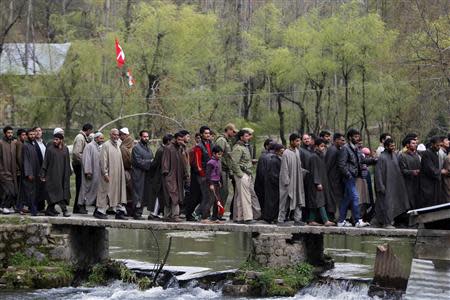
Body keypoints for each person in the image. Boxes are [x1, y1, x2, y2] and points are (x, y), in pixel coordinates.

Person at [373, 138, 410, 228]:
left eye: (394, 146)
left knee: (394, 204)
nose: (393, 148)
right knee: (386, 204)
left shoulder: (394, 155)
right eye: (391, 146)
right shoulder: (382, 157)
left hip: (394, 186)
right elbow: (378, 173)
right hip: (385, 186)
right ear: (386, 146)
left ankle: (393, 221)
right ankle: (386, 223)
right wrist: (380, 186)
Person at [337, 129, 370, 228]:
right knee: (355, 197)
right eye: (355, 137)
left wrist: (375, 160)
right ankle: (358, 221)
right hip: (349, 177)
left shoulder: (356, 148)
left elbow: (363, 160)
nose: (357, 138)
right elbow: (341, 164)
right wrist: (348, 175)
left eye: (358, 136)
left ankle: (341, 221)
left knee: (347, 199)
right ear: (350, 137)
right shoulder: (345, 148)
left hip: (353, 176)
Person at [95, 128, 128, 220]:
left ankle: (119, 212)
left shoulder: (118, 144)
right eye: (114, 134)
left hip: (118, 174)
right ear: (110, 135)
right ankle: (100, 211)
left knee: (118, 192)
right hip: (108, 174)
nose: (116, 136)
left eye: (117, 135)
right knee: (105, 191)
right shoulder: (106, 145)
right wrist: (105, 173)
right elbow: (103, 161)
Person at [40, 133, 71, 217]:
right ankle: (64, 210)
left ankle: (49, 210)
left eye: (57, 139)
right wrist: (43, 174)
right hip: (52, 175)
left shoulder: (65, 149)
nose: (55, 141)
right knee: (57, 193)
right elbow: (45, 162)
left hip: (63, 175)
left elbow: (67, 162)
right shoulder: (50, 149)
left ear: (61, 140)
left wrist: (68, 172)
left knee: (58, 193)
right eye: (54, 139)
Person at [278, 133, 306, 226]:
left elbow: (298, 165)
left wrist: (302, 172)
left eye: (299, 140)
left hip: (297, 181)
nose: (299, 143)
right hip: (288, 182)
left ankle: (297, 219)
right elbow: (284, 169)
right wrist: (286, 182)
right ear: (291, 141)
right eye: (297, 141)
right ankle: (280, 220)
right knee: (285, 200)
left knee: (299, 198)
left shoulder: (297, 151)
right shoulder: (286, 153)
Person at [307, 138, 336, 226]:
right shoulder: (314, 157)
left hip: (321, 182)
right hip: (315, 184)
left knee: (316, 202)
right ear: (316, 146)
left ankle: (311, 220)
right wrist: (318, 183)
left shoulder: (321, 156)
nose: (323, 148)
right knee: (320, 201)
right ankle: (325, 220)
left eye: (324, 146)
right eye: (321, 146)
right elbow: (314, 170)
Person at [230, 129, 256, 224]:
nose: (248, 137)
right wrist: (241, 175)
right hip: (242, 174)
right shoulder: (238, 148)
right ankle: (248, 218)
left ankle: (239, 217)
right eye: (246, 136)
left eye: (248, 135)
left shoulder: (244, 147)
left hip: (246, 173)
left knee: (239, 197)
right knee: (246, 197)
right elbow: (234, 163)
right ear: (241, 137)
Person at [214, 123, 237, 221]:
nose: (234, 133)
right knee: (222, 192)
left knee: (225, 193)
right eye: (233, 131)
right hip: (221, 170)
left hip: (225, 170)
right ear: (228, 130)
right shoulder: (221, 140)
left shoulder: (227, 141)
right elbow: (218, 156)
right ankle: (216, 215)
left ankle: (219, 215)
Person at [161, 132, 186, 222]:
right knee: (172, 195)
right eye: (178, 139)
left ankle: (170, 215)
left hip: (177, 177)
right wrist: (167, 175)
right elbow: (165, 164)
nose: (180, 141)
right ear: (175, 139)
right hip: (170, 177)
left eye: (182, 140)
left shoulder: (179, 148)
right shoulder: (168, 148)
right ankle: (173, 215)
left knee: (175, 196)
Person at [148, 134, 172, 220]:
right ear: (168, 141)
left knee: (160, 195)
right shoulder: (161, 150)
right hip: (158, 177)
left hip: (161, 177)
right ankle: (153, 214)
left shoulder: (164, 150)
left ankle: (156, 213)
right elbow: (155, 164)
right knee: (157, 195)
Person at [78, 132, 104, 212]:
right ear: (96, 138)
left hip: (96, 173)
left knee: (94, 189)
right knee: (86, 189)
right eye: (101, 138)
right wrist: (88, 171)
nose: (102, 140)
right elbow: (87, 159)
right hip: (90, 173)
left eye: (103, 138)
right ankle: (81, 205)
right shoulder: (89, 146)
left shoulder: (97, 147)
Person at [191, 126, 213, 221]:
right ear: (201, 134)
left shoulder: (210, 144)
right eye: (205, 133)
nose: (208, 135)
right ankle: (195, 214)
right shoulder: (198, 147)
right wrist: (203, 175)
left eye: (209, 133)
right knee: (206, 196)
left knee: (210, 196)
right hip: (203, 175)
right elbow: (198, 163)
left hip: (210, 174)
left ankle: (204, 215)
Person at [131, 130, 154, 220]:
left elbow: (152, 158)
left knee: (145, 194)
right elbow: (138, 161)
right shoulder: (136, 148)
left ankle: (139, 212)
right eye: (144, 136)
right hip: (138, 175)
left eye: (147, 136)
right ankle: (136, 213)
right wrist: (150, 162)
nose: (146, 138)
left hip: (146, 175)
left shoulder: (148, 148)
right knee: (138, 193)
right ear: (140, 137)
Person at [419, 136, 447, 207]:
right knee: (429, 203)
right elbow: (430, 168)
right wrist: (441, 171)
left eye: (440, 145)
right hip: (428, 184)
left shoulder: (435, 153)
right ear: (432, 144)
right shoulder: (427, 154)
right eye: (437, 145)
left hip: (434, 183)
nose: (439, 147)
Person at [72, 123, 94, 214]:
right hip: (79, 166)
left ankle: (79, 207)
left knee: (82, 186)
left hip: (81, 165)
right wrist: (86, 161)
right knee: (80, 186)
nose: (91, 132)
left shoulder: (83, 137)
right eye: (91, 131)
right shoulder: (80, 138)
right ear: (88, 130)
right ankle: (78, 207)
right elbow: (77, 153)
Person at [325, 133, 346, 220]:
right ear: (336, 140)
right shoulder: (332, 150)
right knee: (332, 199)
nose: (343, 142)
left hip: (336, 179)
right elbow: (327, 165)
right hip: (332, 180)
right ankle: (331, 218)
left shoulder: (337, 149)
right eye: (342, 140)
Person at [261, 143, 284, 223]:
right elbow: (273, 174)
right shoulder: (274, 160)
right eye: (281, 151)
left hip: (272, 184)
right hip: (273, 185)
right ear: (277, 151)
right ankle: (270, 217)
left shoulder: (275, 159)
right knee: (272, 202)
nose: (282, 152)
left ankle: (271, 217)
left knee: (273, 201)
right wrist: (280, 182)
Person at [20, 129, 41, 215]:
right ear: (27, 135)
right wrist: (29, 173)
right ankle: (32, 210)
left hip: (35, 172)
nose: (32, 136)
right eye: (30, 134)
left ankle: (28, 208)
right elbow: (26, 160)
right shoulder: (25, 145)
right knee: (29, 192)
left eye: (33, 134)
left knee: (33, 192)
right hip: (29, 174)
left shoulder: (33, 144)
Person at [398, 137, 421, 209]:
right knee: (410, 202)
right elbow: (402, 170)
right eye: (413, 143)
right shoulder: (402, 156)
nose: (415, 145)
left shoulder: (417, 155)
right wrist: (412, 172)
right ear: (407, 145)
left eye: (416, 143)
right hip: (408, 183)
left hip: (418, 182)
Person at [0, 126, 18, 214]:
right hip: (3, 172)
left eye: (11, 133)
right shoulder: (1, 143)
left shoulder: (13, 143)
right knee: (11, 192)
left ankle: (2, 206)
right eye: (8, 133)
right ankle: (5, 207)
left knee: (12, 192)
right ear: (5, 133)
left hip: (12, 173)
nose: (10, 134)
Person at [205, 145, 223, 223]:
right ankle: (204, 217)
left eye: (221, 154)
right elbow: (208, 175)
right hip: (211, 182)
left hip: (216, 182)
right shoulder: (210, 162)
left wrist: (220, 181)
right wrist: (210, 184)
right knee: (211, 200)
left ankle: (214, 217)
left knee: (217, 200)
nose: (220, 156)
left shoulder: (218, 161)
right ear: (214, 154)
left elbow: (218, 173)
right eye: (218, 154)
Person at [254, 138, 274, 211]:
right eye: (271, 144)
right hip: (263, 183)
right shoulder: (264, 156)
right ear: (266, 146)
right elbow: (262, 172)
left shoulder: (270, 156)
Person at [119, 127, 134, 215]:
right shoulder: (128, 145)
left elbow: (126, 162)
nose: (120, 137)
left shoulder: (123, 147)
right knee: (129, 191)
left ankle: (129, 210)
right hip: (129, 171)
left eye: (121, 135)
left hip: (126, 171)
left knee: (128, 190)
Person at [33, 126, 46, 212]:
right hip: (36, 168)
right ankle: (35, 207)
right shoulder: (33, 143)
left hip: (44, 168)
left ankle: (42, 207)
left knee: (43, 188)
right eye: (36, 131)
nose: (38, 132)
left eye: (39, 130)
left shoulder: (43, 142)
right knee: (36, 188)